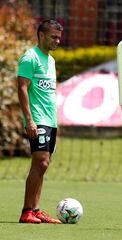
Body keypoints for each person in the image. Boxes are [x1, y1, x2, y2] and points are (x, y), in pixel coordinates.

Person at [17, 19, 63, 224]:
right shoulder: (30, 58)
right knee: (41, 161)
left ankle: (36, 210)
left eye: (59, 37)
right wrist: (30, 120)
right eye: (54, 37)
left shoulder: (50, 60)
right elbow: (22, 88)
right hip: (37, 119)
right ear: (42, 35)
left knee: (44, 165)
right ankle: (27, 211)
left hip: (50, 120)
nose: (58, 41)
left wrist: (55, 125)